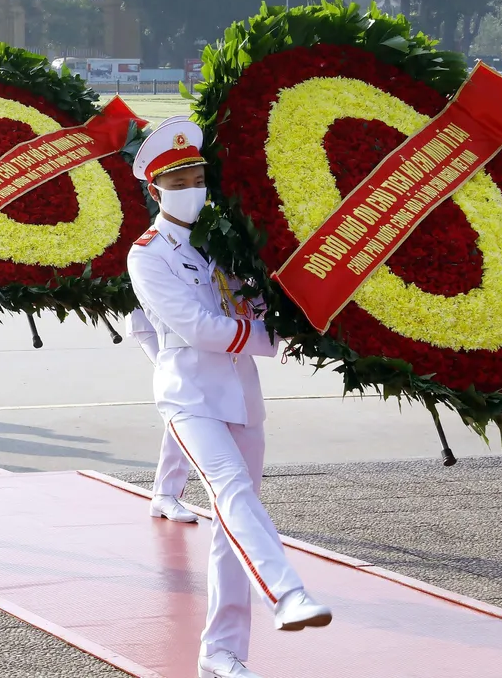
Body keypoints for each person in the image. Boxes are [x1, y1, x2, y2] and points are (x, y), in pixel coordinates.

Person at [126, 117, 331, 678]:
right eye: (178, 180)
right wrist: (272, 341)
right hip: (189, 397)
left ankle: (222, 653)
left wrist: (298, 324)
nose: (192, 187)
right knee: (234, 491)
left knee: (232, 522)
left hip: (242, 396)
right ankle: (287, 594)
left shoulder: (225, 238)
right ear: (155, 188)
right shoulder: (147, 255)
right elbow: (199, 327)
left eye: (197, 175)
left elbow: (254, 304)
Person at [126, 308, 197, 523]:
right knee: (183, 397)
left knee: (189, 397)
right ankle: (165, 493)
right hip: (154, 321)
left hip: (190, 323)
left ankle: (166, 493)